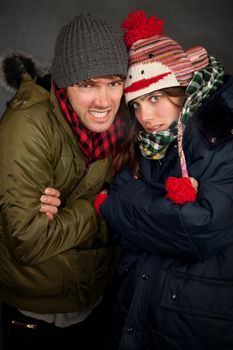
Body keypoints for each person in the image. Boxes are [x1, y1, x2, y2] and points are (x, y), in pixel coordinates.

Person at [93, 9, 233, 350]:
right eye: (136, 105)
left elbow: (200, 229)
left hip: (191, 322)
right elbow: (164, 219)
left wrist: (116, 205)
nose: (145, 117)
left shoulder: (220, 133)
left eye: (155, 98)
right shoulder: (148, 142)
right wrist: (156, 211)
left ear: (181, 88)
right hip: (138, 308)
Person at [0, 13, 128, 350]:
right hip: (36, 316)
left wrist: (68, 213)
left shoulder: (125, 125)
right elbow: (29, 242)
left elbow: (130, 221)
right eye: (87, 84)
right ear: (66, 81)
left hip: (95, 303)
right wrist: (98, 204)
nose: (104, 100)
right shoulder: (28, 125)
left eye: (114, 82)